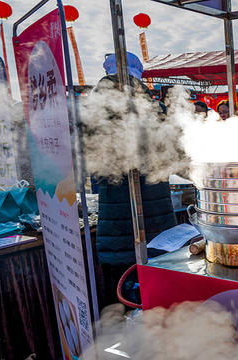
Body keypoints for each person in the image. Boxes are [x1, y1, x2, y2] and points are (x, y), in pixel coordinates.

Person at [92, 52, 177, 309]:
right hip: (156, 222)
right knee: (157, 301)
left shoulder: (93, 110)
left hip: (116, 227)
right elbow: (173, 155)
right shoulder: (152, 107)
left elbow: (92, 167)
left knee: (125, 303)